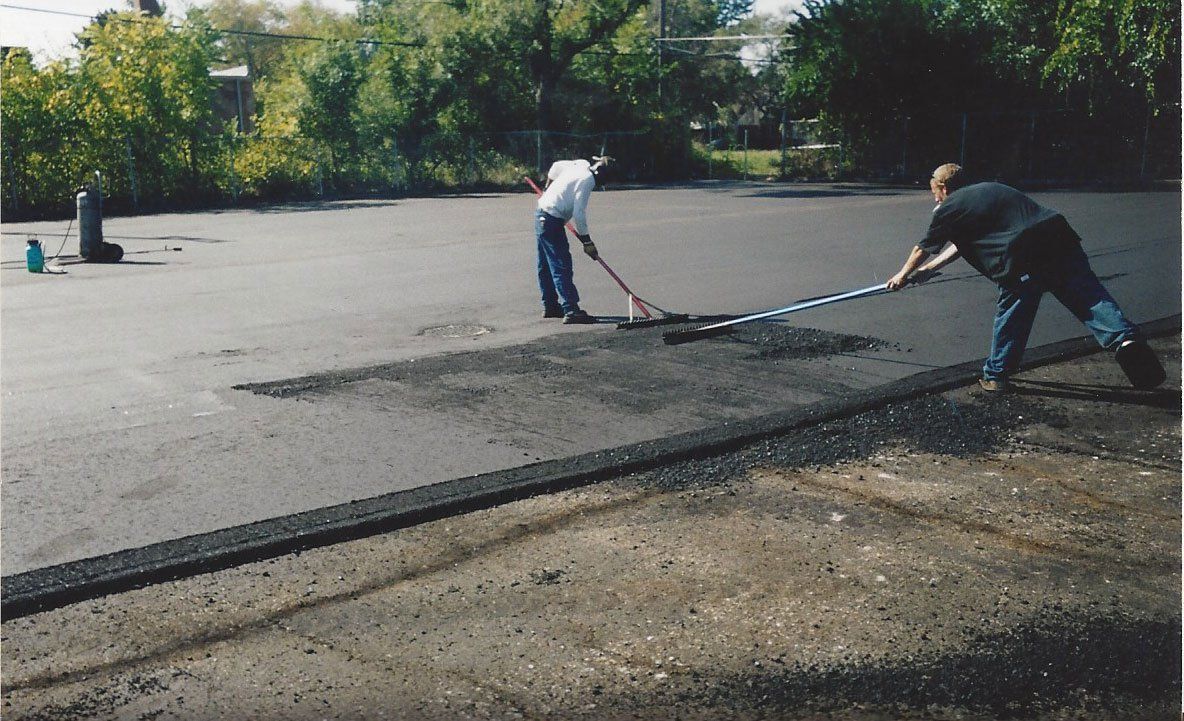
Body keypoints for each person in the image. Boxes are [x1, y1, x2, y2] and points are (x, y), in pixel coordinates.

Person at [887, 163, 1164, 392]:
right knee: (1089, 297)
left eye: (934, 193)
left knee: (1013, 313)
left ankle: (996, 376)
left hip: (1022, 257)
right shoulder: (991, 188)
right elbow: (962, 244)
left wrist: (902, 275)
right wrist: (931, 270)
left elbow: (922, 248)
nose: (934, 199)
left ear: (943, 188)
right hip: (1059, 238)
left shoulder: (948, 208)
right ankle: (1125, 340)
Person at [535, 156, 611, 324]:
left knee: (546, 264)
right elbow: (579, 213)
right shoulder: (587, 180)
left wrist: (548, 189)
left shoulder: (580, 165)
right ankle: (570, 309)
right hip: (551, 219)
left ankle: (550, 305)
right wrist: (587, 242)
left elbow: (555, 167)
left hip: (542, 213)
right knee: (560, 263)